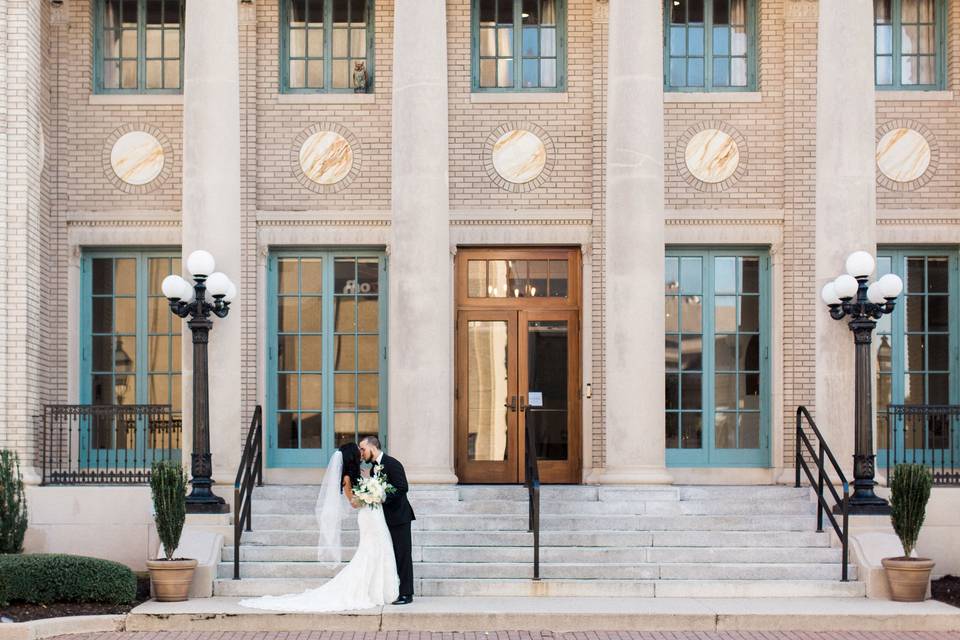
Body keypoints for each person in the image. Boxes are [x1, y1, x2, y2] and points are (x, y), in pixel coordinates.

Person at [237, 442, 399, 612]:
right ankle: (370, 591)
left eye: (362, 449)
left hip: (375, 514)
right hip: (367, 516)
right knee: (370, 550)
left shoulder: (360, 472)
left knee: (381, 548)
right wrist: (370, 496)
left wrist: (374, 492)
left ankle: (380, 590)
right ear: (351, 455)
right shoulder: (346, 479)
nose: (360, 452)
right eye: (358, 450)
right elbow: (353, 503)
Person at [358, 435, 415, 604]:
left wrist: (382, 496)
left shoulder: (392, 463)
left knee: (402, 554)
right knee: (388, 554)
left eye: (363, 449)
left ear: (372, 448)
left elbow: (403, 487)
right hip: (382, 519)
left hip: (399, 517)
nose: (361, 453)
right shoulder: (374, 467)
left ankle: (407, 593)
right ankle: (390, 590)